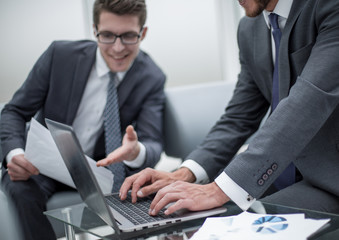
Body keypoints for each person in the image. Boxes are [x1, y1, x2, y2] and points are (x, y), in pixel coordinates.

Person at [119, 0, 339, 217]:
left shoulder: (330, 7)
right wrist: (185, 174)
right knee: (180, 215)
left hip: (329, 178)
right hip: (274, 172)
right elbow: (239, 118)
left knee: (238, 227)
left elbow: (306, 105)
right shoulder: (249, 28)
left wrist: (218, 190)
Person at [0, 0, 166, 239]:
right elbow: (14, 111)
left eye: (129, 36)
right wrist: (14, 154)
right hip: (43, 164)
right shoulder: (60, 56)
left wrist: (135, 151)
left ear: (143, 33)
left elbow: (153, 144)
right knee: (19, 189)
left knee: (146, 194)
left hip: (102, 173)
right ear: (94, 30)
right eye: (107, 35)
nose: (118, 48)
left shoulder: (152, 77)